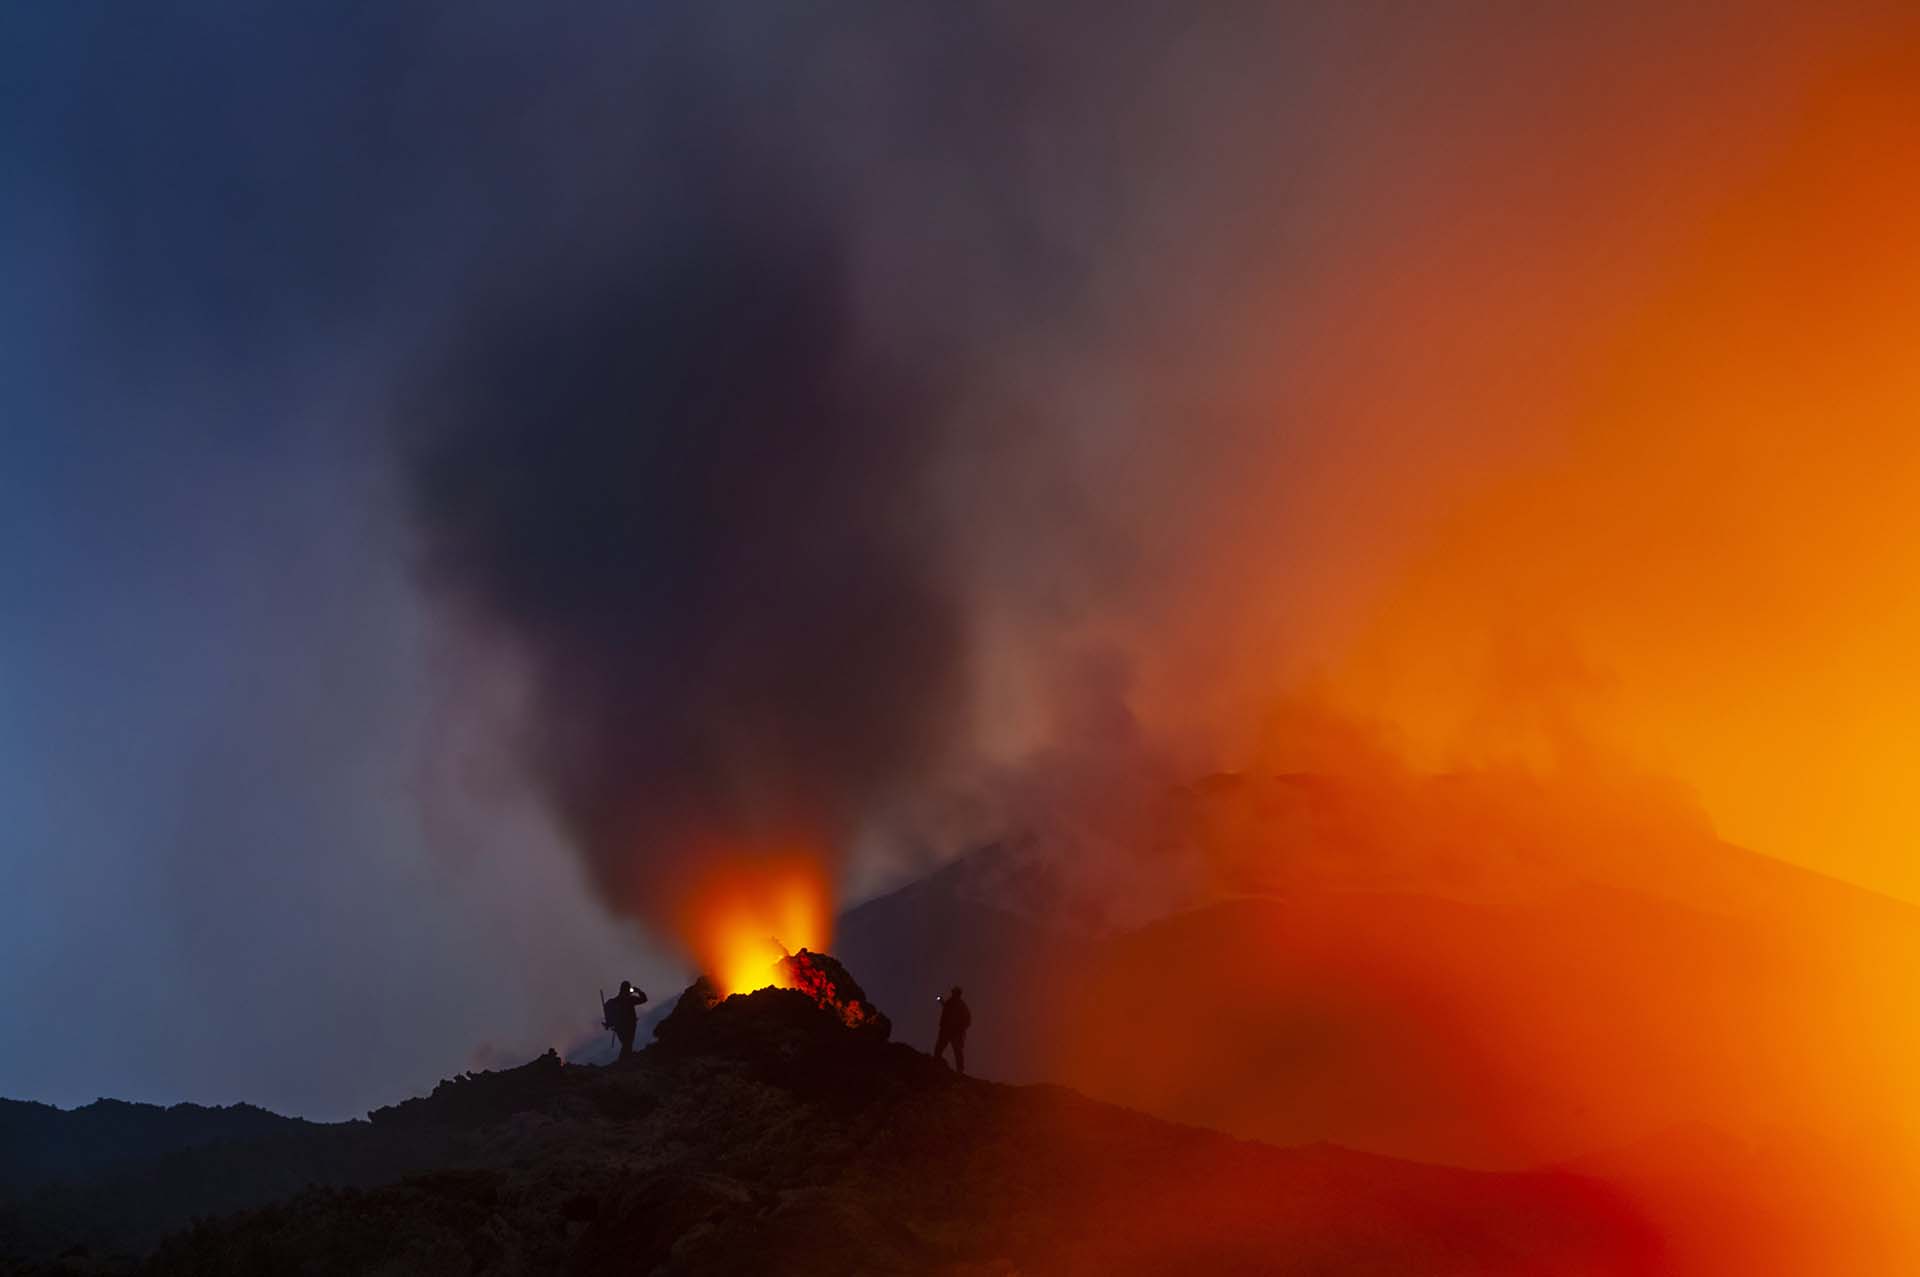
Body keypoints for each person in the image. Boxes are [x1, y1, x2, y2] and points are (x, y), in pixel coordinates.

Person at [603, 980, 648, 1060]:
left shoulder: (615, 1001)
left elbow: (607, 1007)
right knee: (627, 1044)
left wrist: (609, 1023)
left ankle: (623, 1062)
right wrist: (638, 991)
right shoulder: (630, 999)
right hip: (629, 1026)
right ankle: (623, 1063)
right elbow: (644, 999)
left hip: (620, 1027)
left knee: (626, 1044)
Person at [934, 985, 971, 1076]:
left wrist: (960, 1028)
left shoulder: (961, 1005)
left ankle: (960, 1070)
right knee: (941, 1046)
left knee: (957, 1050)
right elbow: (945, 1008)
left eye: (955, 992)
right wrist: (940, 1001)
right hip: (947, 1030)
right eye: (953, 992)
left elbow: (967, 1020)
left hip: (955, 1032)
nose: (953, 994)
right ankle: (936, 1061)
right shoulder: (950, 1003)